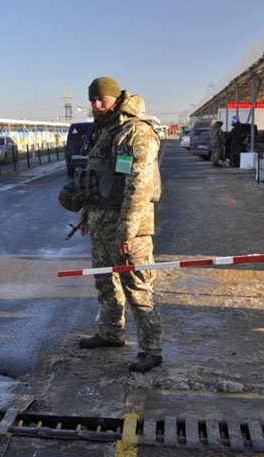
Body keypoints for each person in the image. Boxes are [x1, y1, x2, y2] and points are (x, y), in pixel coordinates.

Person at [76, 76, 164, 373]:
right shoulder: (104, 131)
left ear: (116, 98)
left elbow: (139, 186)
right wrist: (86, 215)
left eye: (102, 99)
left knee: (138, 287)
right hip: (101, 223)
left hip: (130, 229)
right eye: (93, 100)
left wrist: (126, 230)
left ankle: (151, 349)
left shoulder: (136, 132)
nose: (97, 105)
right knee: (105, 282)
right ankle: (110, 332)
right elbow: (96, 177)